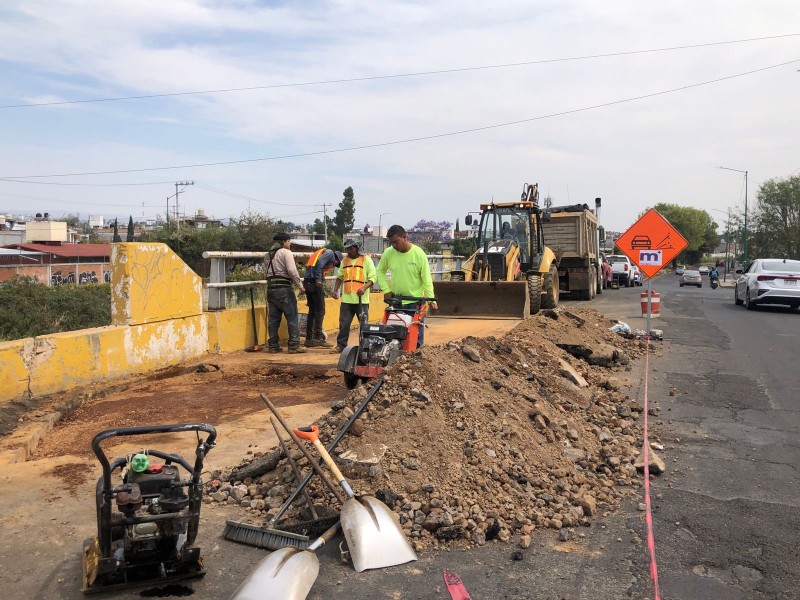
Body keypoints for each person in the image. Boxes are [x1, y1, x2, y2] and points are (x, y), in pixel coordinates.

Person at [376, 224, 438, 347]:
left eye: (396, 242)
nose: (394, 246)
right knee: (394, 333)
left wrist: (431, 299)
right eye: (391, 243)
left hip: (415, 302)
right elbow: (380, 271)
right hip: (396, 300)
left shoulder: (419, 254)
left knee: (415, 336)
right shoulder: (389, 253)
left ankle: (415, 359)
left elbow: (426, 279)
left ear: (405, 237)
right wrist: (386, 289)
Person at [331, 238, 377, 353]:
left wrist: (364, 288)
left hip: (361, 300)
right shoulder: (344, 261)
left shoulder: (366, 260)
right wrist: (335, 290)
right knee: (344, 324)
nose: (349, 251)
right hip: (347, 299)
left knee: (363, 325)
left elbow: (372, 278)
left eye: (351, 248)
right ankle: (341, 345)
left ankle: (365, 346)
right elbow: (340, 277)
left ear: (357, 248)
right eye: (347, 249)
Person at [265, 232, 307, 354]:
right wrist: (300, 286)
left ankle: (273, 345)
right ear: (284, 242)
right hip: (284, 288)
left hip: (271, 289)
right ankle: (294, 345)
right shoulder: (286, 252)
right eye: (289, 241)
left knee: (273, 319)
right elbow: (292, 270)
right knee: (292, 316)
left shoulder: (268, 255)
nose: (290, 244)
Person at [303, 247, 343, 348]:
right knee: (320, 310)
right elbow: (320, 263)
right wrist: (318, 279)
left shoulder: (324, 255)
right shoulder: (330, 253)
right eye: (336, 264)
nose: (334, 266)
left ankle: (309, 339)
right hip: (314, 282)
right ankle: (319, 338)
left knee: (312, 311)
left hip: (307, 282)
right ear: (336, 259)